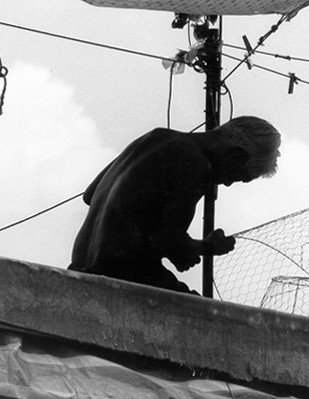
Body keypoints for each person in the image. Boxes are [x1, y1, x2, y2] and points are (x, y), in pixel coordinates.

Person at [68, 116, 281, 294]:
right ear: (236, 156)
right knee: (207, 324)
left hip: (80, 265)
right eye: (238, 176)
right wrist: (207, 247)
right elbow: (168, 240)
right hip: (121, 272)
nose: (226, 183)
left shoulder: (155, 137)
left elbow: (90, 195)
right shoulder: (196, 164)